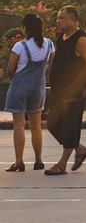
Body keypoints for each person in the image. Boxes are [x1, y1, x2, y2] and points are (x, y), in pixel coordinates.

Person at [44, 5, 86, 176]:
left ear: (73, 20)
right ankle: (79, 149)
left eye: (61, 18)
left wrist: (83, 84)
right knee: (52, 124)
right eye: (58, 17)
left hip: (75, 90)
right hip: (60, 90)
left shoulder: (82, 40)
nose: (57, 21)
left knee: (70, 125)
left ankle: (61, 164)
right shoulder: (62, 38)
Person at [3, 13, 53, 171]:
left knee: (18, 125)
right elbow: (49, 67)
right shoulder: (49, 44)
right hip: (38, 87)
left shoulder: (20, 46)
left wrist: (15, 78)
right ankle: (38, 160)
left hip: (20, 87)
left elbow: (10, 69)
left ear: (25, 28)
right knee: (36, 126)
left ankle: (19, 162)